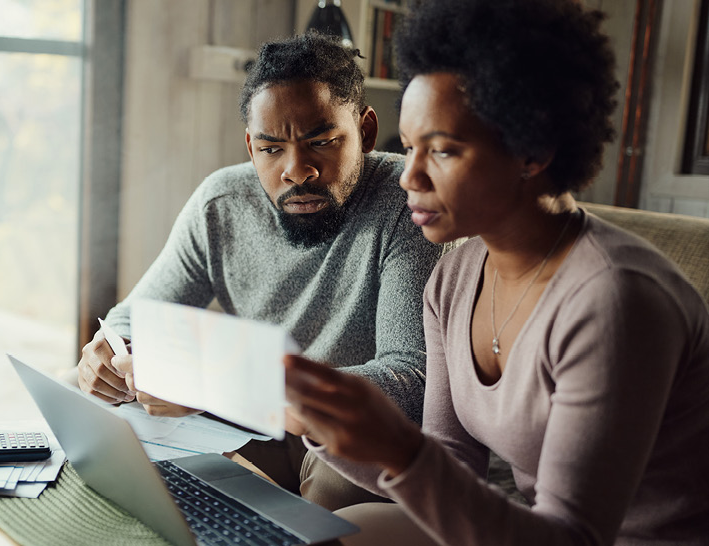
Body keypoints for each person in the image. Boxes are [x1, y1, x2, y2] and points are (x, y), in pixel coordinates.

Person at [284, 0, 709, 544]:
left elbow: (573, 536)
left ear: (532, 151)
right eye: (410, 147)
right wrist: (330, 428)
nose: (408, 176)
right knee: (342, 531)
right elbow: (451, 465)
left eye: (442, 151)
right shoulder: (455, 276)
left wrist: (401, 450)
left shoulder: (615, 299)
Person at [74, 33, 444, 510]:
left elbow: (410, 382)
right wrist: (106, 354)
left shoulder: (408, 203)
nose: (297, 170)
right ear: (251, 147)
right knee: (114, 432)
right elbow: (134, 316)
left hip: (347, 435)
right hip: (250, 421)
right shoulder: (222, 203)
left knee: (346, 481)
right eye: (272, 149)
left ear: (366, 132)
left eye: (323, 142)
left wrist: (219, 381)